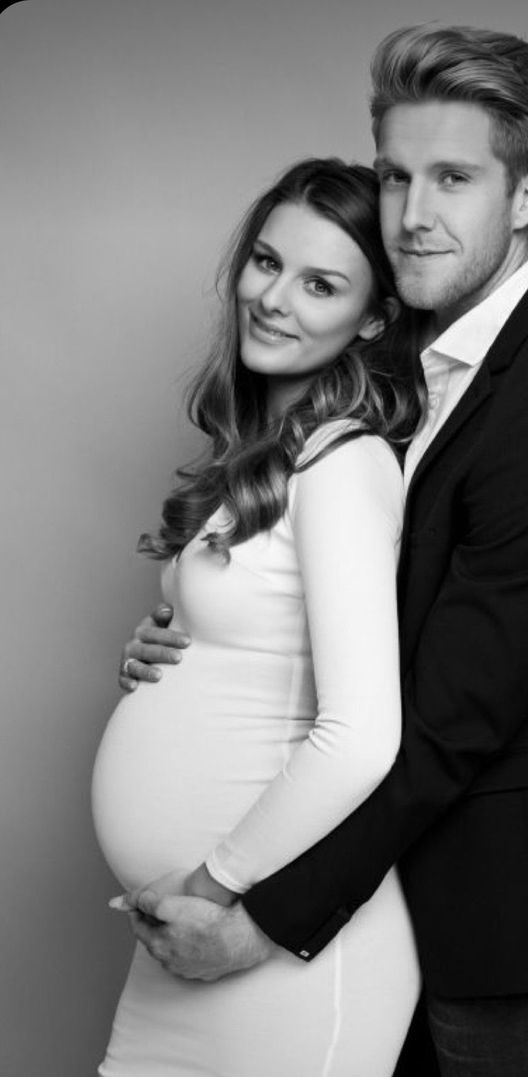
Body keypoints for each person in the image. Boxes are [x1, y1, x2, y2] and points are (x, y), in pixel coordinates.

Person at [120, 25, 528, 1077]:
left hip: (513, 927)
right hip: (391, 901)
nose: (412, 216)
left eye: (453, 179)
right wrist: (190, 658)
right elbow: (346, 613)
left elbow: (454, 718)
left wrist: (261, 917)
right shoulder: (409, 357)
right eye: (396, 175)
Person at [92, 157, 426, 1076]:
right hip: (184, 943)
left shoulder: (343, 461)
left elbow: (362, 734)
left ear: (373, 318)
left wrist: (210, 889)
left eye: (321, 284)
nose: (274, 298)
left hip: (264, 947)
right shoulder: (260, 455)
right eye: (267, 262)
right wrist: (162, 656)